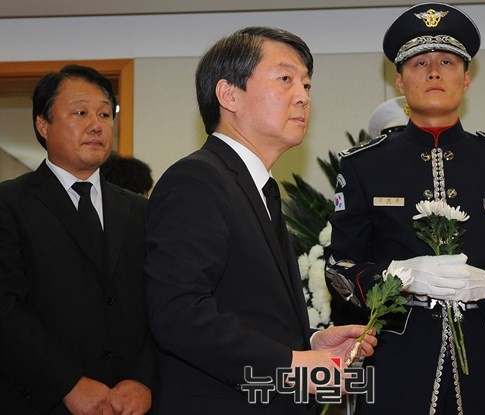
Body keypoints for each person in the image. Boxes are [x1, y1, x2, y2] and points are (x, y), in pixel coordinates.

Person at [324, 3, 485, 414]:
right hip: (397, 367)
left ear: (466, 78)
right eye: (420, 63)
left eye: (447, 62)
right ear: (400, 80)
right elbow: (339, 269)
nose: (434, 72)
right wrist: (395, 278)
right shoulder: (364, 166)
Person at [144, 26, 377, 414]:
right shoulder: (197, 179)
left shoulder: (258, 187)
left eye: (306, 84)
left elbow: (246, 310)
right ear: (229, 95)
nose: (303, 96)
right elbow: (177, 314)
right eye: (285, 79)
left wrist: (308, 343)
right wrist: (291, 364)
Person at [0, 65, 153, 414]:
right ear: (43, 124)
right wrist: (67, 384)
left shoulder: (140, 211)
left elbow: (163, 302)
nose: (96, 125)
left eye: (105, 114)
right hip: (42, 401)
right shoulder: (9, 204)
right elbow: (5, 310)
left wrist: (144, 380)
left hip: (129, 403)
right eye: (80, 113)